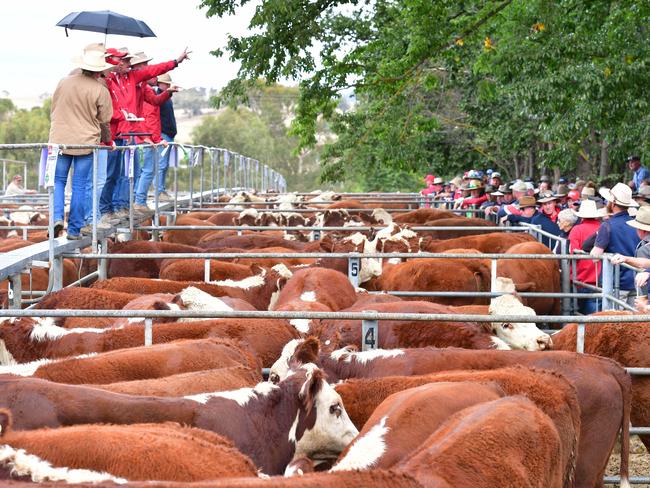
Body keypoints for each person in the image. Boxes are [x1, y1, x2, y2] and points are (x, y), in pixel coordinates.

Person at [100, 46, 190, 227]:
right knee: (116, 173)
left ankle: (122, 206)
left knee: (127, 173)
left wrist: (175, 64)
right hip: (120, 133)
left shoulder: (135, 81)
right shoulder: (110, 81)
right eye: (123, 60)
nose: (126, 62)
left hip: (130, 133)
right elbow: (110, 109)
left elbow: (153, 99)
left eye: (127, 60)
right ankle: (110, 208)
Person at [48, 47, 113, 239]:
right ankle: (74, 229)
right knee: (79, 185)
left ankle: (57, 217)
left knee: (58, 181)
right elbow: (105, 119)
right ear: (99, 70)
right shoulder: (100, 90)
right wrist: (108, 140)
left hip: (59, 140)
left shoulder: (63, 82)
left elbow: (54, 107)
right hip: (85, 142)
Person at [590, 182, 640, 307]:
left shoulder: (607, 225)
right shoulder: (637, 224)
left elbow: (595, 256)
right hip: (637, 280)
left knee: (614, 322)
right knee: (634, 322)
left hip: (617, 282)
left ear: (612, 203)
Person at [569, 200, 604, 314]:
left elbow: (573, 254)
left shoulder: (576, 230)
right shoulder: (603, 228)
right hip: (600, 279)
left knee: (580, 314)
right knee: (597, 315)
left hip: (582, 279)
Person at [156, 72, 178, 201]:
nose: (168, 86)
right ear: (161, 84)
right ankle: (159, 191)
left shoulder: (165, 97)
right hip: (163, 134)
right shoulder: (159, 96)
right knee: (161, 164)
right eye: (166, 84)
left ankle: (161, 190)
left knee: (164, 165)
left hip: (167, 134)